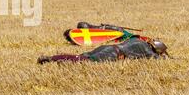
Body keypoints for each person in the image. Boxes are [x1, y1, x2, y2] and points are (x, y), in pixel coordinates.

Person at [38, 36, 169, 64]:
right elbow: (155, 58)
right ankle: (67, 64)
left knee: (80, 56)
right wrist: (168, 58)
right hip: (113, 53)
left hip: (108, 47)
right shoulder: (146, 48)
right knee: (86, 61)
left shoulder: (136, 40)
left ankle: (52, 58)